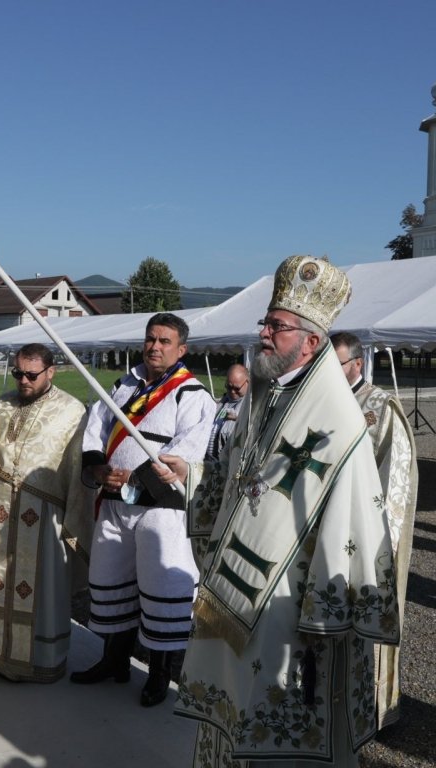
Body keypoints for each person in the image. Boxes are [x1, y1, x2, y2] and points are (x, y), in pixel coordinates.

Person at [167, 256, 399, 766]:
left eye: (278, 326)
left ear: (311, 341)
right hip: (234, 586)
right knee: (231, 704)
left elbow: (352, 521)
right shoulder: (263, 395)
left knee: (275, 720)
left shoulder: (339, 421)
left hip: (288, 601)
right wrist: (193, 480)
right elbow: (242, 478)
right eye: (265, 323)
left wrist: (325, 616)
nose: (265, 334)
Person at [71, 312, 215, 708]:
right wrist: (99, 468)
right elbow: (95, 430)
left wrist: (134, 481)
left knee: (160, 589)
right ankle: (113, 661)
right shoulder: (122, 385)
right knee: (112, 581)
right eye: (151, 338)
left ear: (181, 349)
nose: (155, 346)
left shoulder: (192, 394)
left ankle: (158, 673)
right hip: (114, 505)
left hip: (159, 510)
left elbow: (188, 451)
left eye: (165, 341)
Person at [0, 342, 92, 681]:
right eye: (19, 373)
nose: (23, 380)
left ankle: (37, 659)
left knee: (38, 589)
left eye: (31, 375)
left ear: (51, 372)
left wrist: (75, 519)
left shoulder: (70, 410)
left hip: (43, 514)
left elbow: (75, 468)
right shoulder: (4, 402)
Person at [330, 330, 419, 729]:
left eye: (337, 364)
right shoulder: (319, 401)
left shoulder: (383, 407)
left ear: (358, 364)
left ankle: (369, 705)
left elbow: (395, 479)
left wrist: (380, 539)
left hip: (363, 534)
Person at [207, 364, 248, 461]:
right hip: (211, 462)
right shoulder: (222, 402)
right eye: (229, 387)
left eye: (237, 388)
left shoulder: (252, 405)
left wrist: (238, 418)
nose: (233, 392)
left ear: (248, 382)